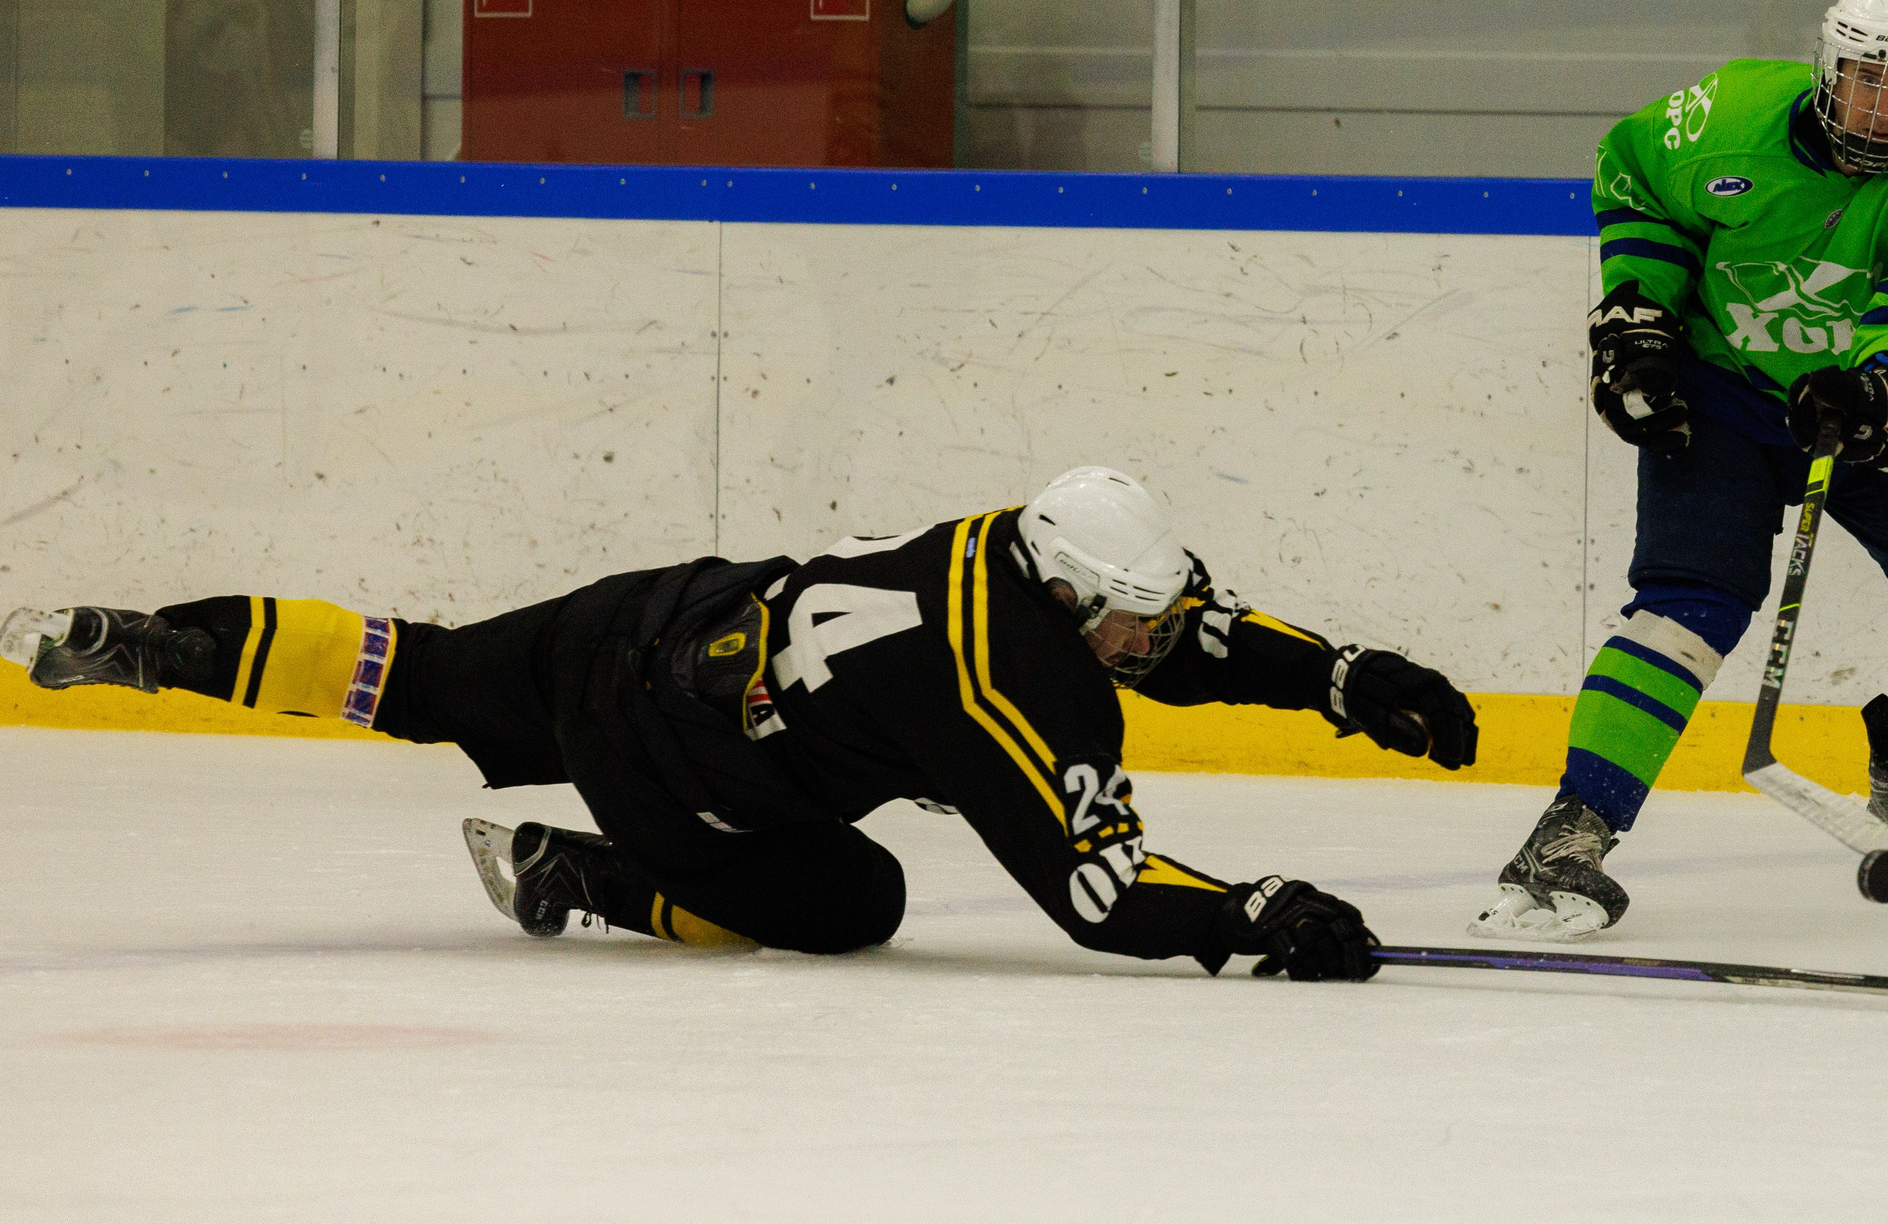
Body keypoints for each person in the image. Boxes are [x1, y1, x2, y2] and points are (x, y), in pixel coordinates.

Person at [6, 466, 1479, 980]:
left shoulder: (995, 545)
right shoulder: (1013, 691)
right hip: (675, 779)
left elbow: (1187, 634)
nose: (1155, 642)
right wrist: (1255, 913)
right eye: (1135, 624)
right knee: (860, 899)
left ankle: (153, 643)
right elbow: (1099, 895)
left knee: (417, 671)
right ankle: (596, 874)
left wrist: (1347, 679)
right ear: (1076, 599)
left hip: (643, 617)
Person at [1478, 0, 1888, 939]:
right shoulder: (1724, 116)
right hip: (1722, 399)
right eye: (1866, 79)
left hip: (1865, 409)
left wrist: (1878, 382)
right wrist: (1639, 314)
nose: (1884, 107)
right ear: (1826, 68)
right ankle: (1569, 832)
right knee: (1689, 608)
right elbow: (1631, 173)